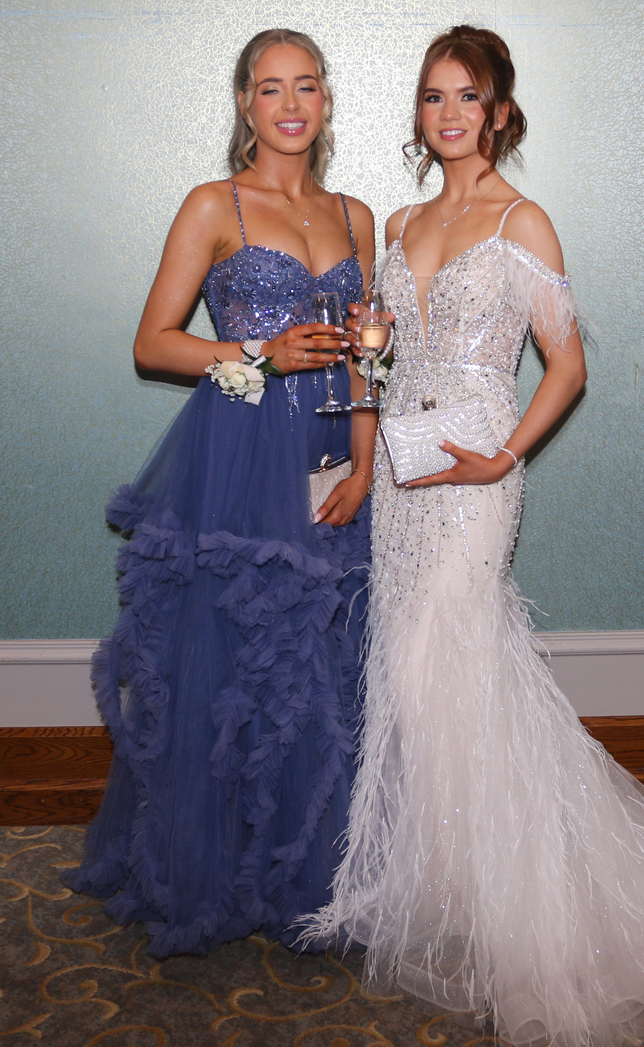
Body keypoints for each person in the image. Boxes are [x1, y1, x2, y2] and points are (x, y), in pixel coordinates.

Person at [301, 25, 644, 1047]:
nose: (448, 114)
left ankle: (531, 909)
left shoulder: (524, 222)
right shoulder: (401, 223)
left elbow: (566, 366)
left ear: (499, 111)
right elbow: (379, 361)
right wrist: (367, 398)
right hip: (405, 474)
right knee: (414, 681)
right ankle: (458, 886)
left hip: (474, 473)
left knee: (455, 666)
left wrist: (504, 457)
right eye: (433, 97)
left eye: (467, 97)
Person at [62, 29, 377, 958]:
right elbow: (153, 342)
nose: (290, 104)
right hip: (242, 452)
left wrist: (365, 464)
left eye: (306, 86)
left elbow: (370, 356)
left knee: (322, 658)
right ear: (245, 102)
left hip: (333, 452)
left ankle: (306, 869)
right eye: (270, 87)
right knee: (234, 658)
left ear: (326, 99)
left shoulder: (358, 215)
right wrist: (258, 352)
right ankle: (212, 868)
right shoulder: (214, 204)